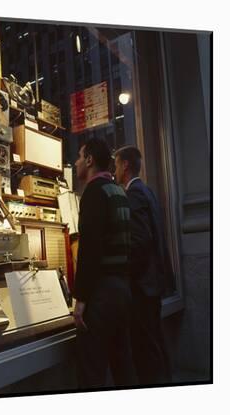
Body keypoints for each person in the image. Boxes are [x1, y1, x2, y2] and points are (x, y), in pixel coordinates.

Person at [73, 138, 137, 389]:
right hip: (122, 291)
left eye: (79, 156)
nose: (76, 162)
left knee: (92, 372)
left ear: (89, 160)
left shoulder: (93, 193)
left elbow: (90, 250)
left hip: (100, 296)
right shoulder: (119, 191)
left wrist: (80, 300)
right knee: (123, 365)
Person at [114, 145, 172, 385]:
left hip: (142, 287)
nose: (114, 170)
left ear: (125, 165)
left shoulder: (134, 194)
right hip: (154, 283)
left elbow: (140, 241)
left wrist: (124, 274)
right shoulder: (148, 191)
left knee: (145, 351)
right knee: (155, 343)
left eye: (116, 164)